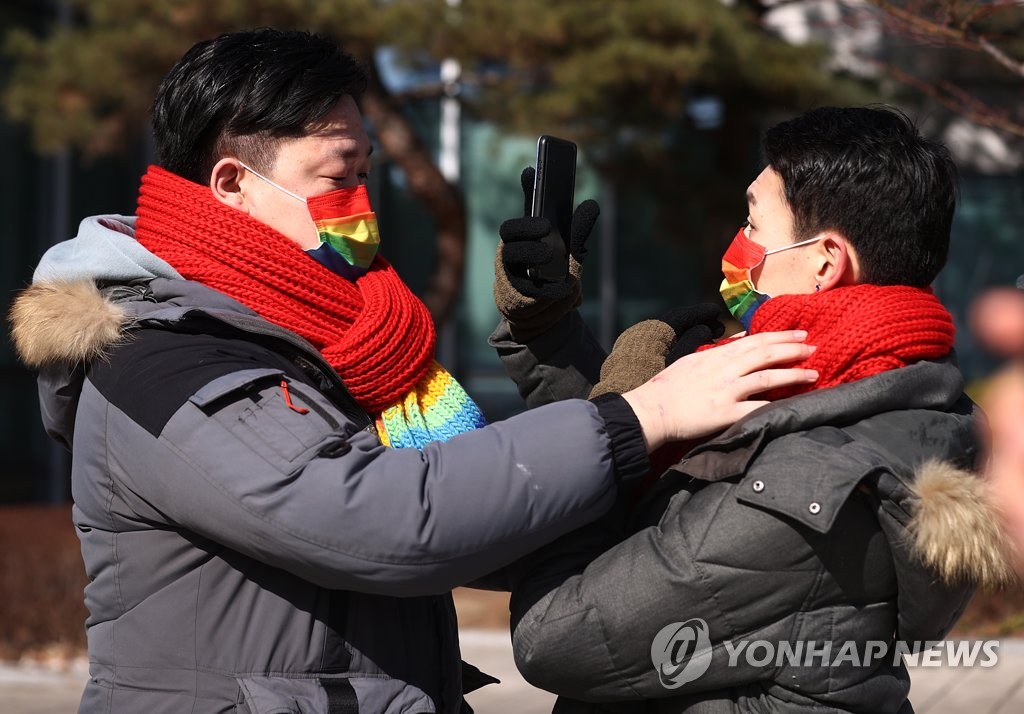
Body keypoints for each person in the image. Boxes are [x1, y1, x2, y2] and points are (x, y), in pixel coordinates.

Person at [6, 28, 817, 714]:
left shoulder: (348, 335)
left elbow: (488, 513)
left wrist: (551, 338)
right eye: (337, 176)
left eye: (365, 175)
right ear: (232, 186)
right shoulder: (159, 352)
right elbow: (386, 519)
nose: (361, 202)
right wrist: (639, 417)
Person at [489, 106, 1018, 713]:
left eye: (753, 223)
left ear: (825, 260)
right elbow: (647, 523)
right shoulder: (865, 385)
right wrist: (547, 329)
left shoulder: (815, 477)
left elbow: (557, 637)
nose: (736, 246)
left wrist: (621, 417)